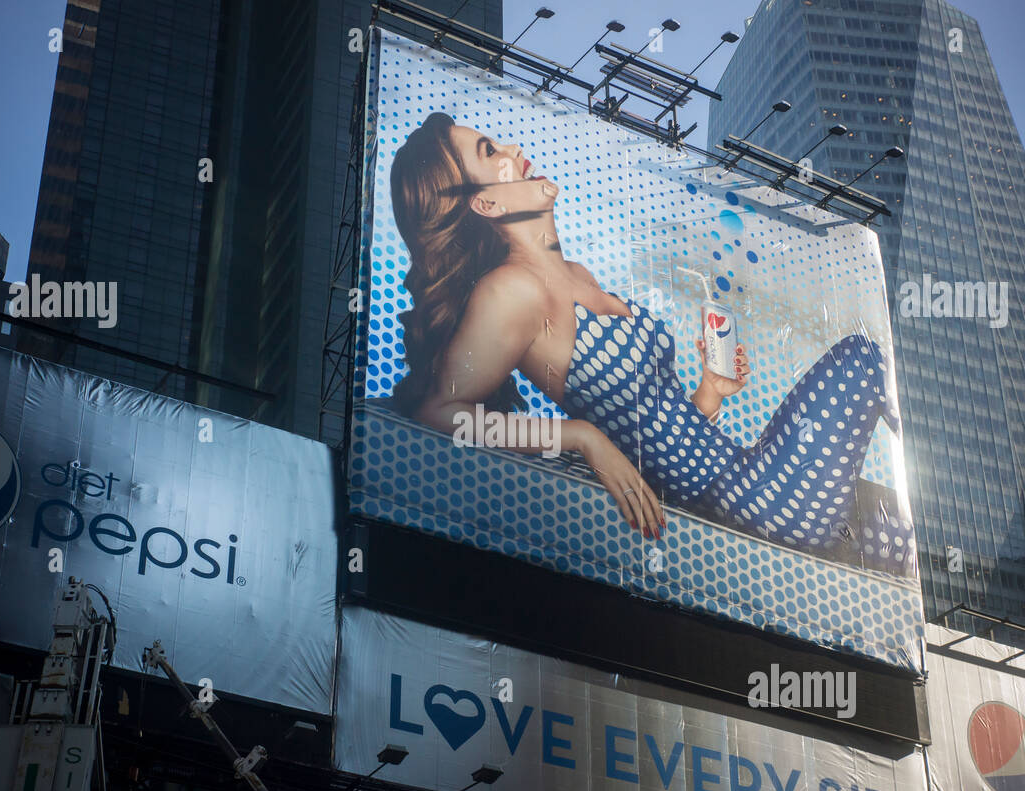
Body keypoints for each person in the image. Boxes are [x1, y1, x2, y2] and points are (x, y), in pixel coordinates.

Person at [386, 111, 913, 576]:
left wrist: (709, 393)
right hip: (753, 505)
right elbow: (440, 410)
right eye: (490, 151)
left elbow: (662, 438)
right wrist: (582, 437)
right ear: (484, 202)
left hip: (747, 476)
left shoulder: (577, 274)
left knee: (908, 538)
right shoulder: (512, 291)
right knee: (864, 359)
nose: (514, 150)